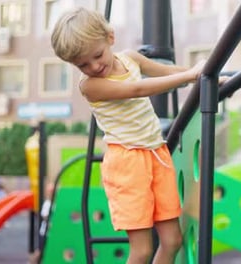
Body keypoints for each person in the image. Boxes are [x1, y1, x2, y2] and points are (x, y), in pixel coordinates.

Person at [51, 7, 210, 264]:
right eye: (82, 64)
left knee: (173, 241)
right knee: (142, 250)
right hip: (127, 163)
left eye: (97, 55)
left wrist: (202, 75)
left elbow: (167, 72)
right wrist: (191, 75)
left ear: (110, 38)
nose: (93, 66)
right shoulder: (90, 85)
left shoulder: (130, 59)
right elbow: (135, 88)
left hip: (156, 154)